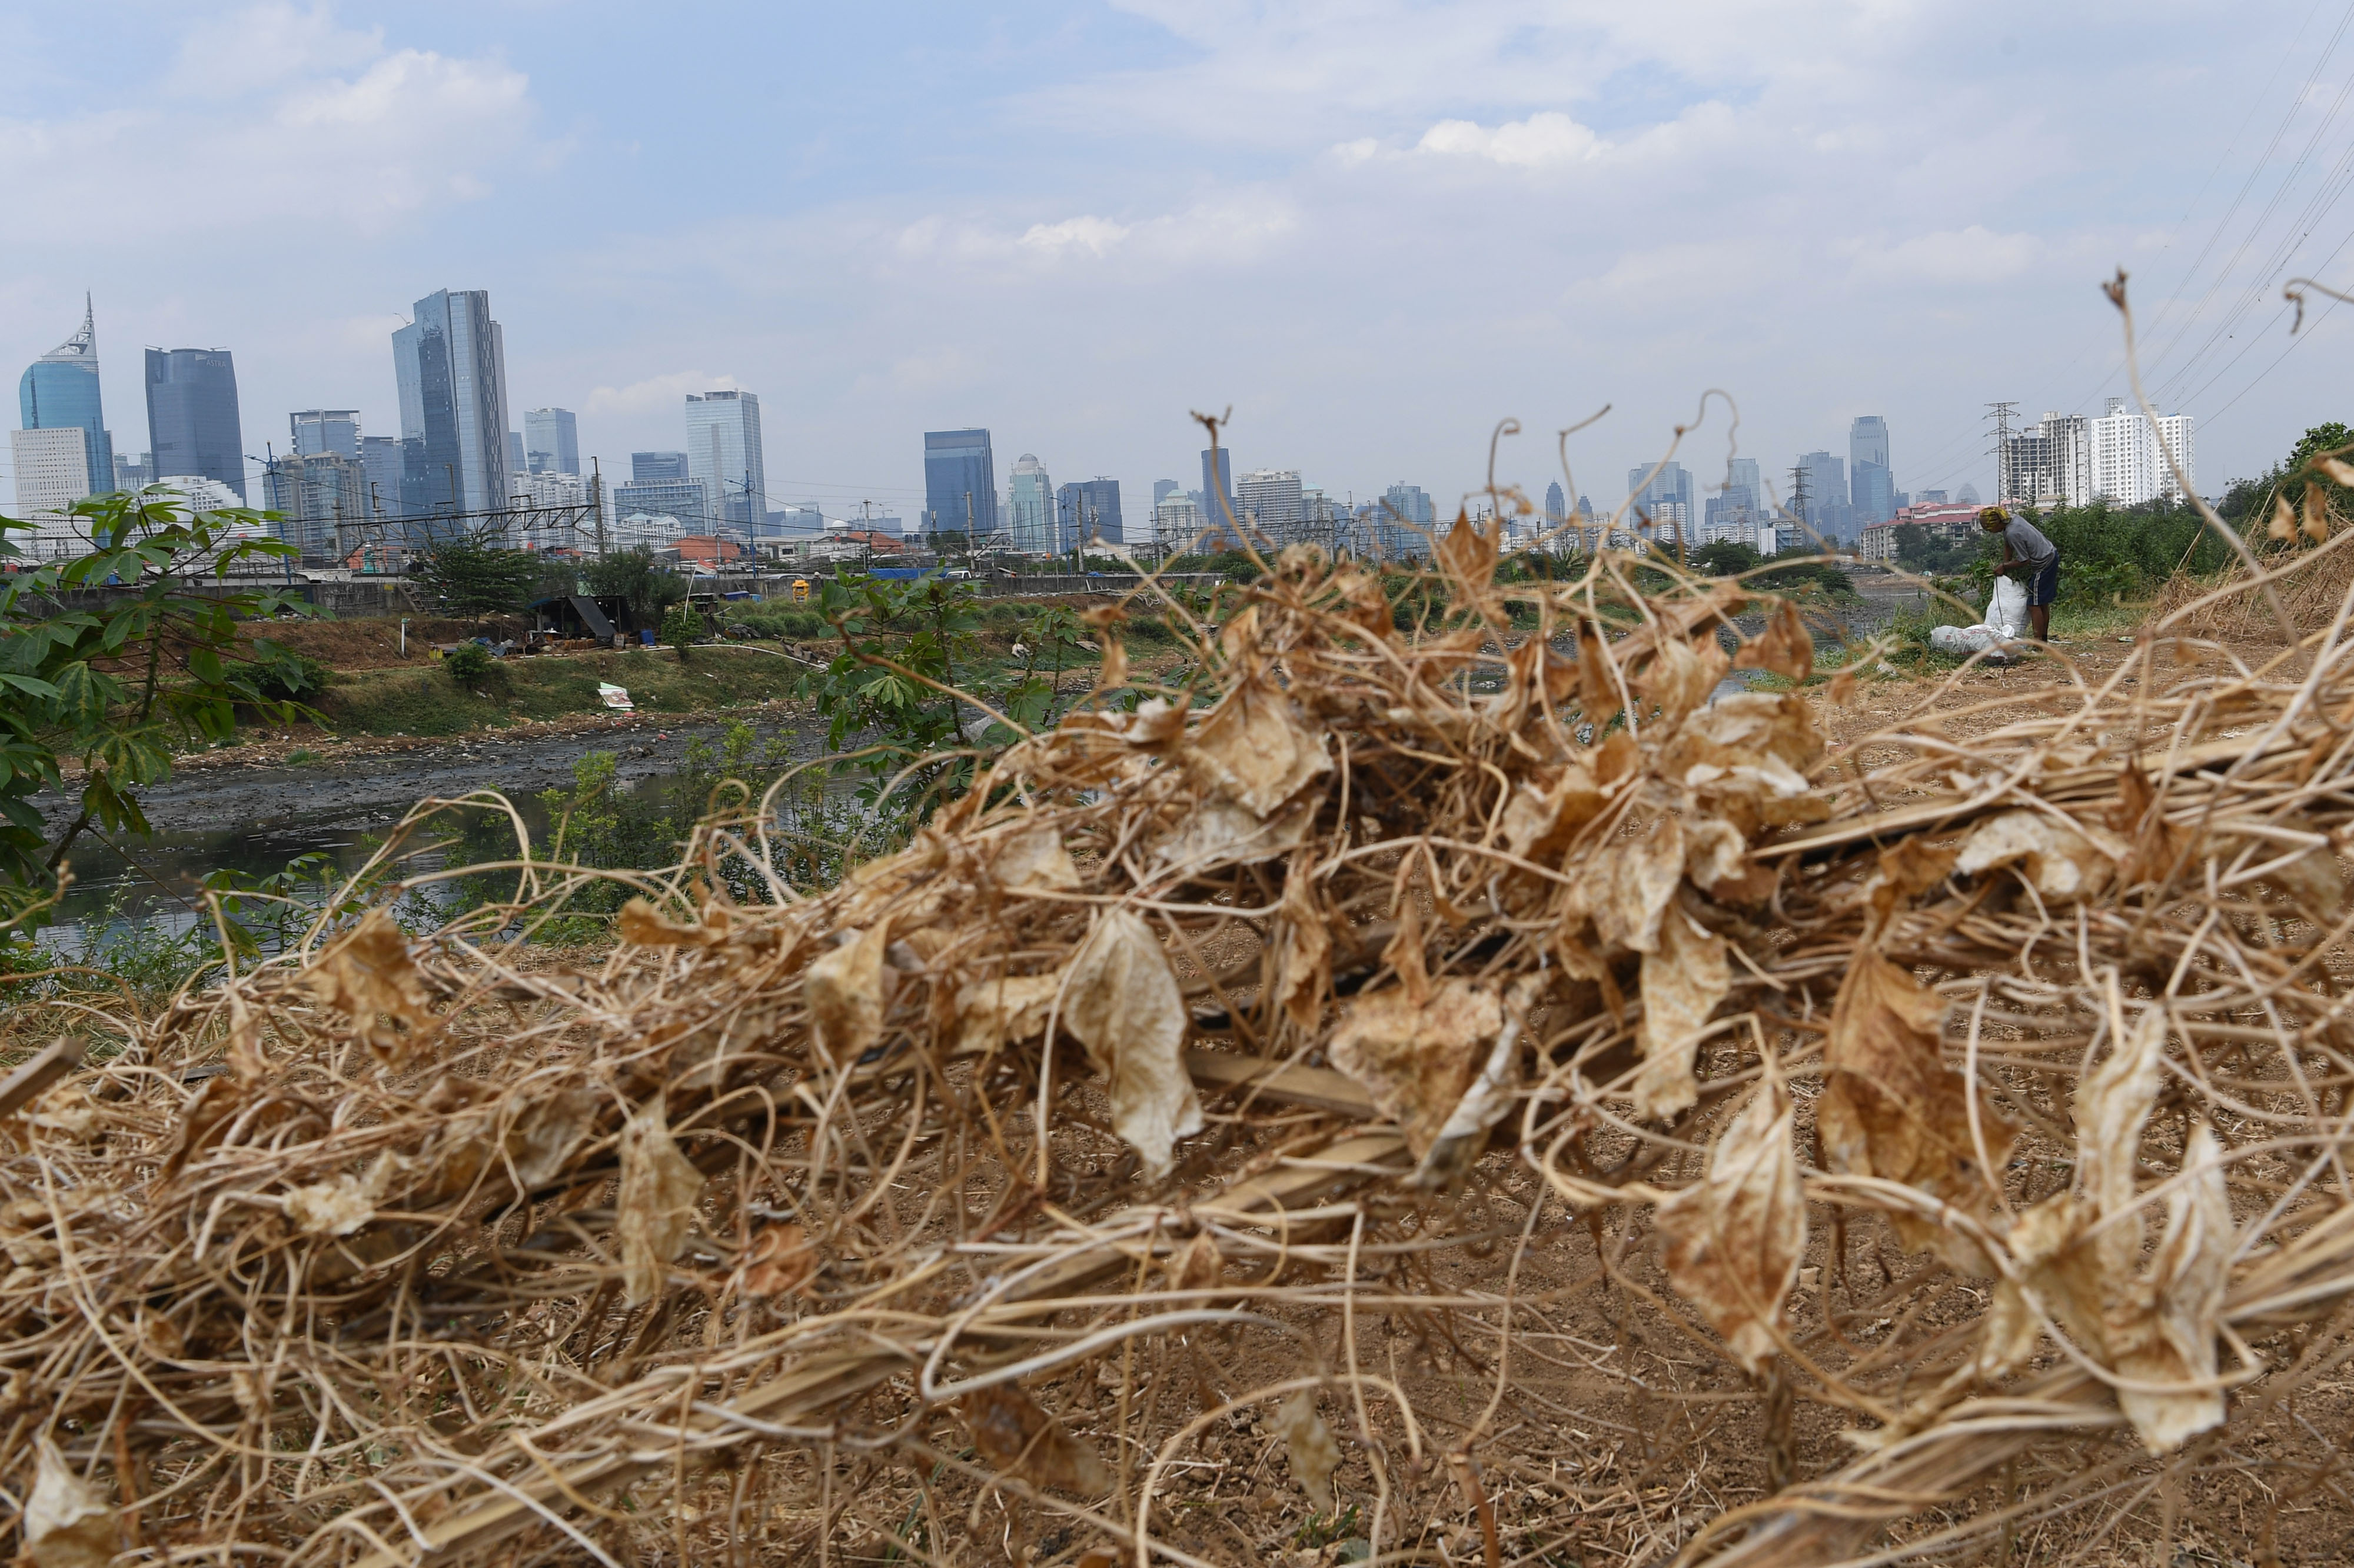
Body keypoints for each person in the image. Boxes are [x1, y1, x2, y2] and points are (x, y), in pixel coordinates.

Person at [1979, 505, 2057, 644]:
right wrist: (2006, 565)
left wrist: (2004, 566)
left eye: (1990, 529)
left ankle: (2039, 643)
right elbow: (2008, 545)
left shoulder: (2013, 532)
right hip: (2050, 554)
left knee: (2033, 605)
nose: (1991, 532)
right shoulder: (2012, 520)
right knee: (2041, 603)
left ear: (1997, 523)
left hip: (2044, 563)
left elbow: (2024, 560)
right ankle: (2043, 640)